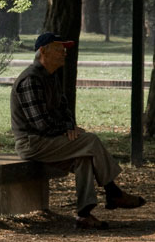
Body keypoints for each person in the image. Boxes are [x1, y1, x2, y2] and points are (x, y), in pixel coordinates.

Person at [10, 32, 145, 229]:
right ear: (43, 52)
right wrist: (67, 129)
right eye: (59, 49)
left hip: (49, 141)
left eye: (64, 50)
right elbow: (41, 124)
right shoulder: (31, 80)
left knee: (84, 158)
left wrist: (70, 126)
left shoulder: (51, 77)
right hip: (32, 143)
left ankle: (84, 215)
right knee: (90, 140)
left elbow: (65, 110)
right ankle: (113, 192)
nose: (64, 53)